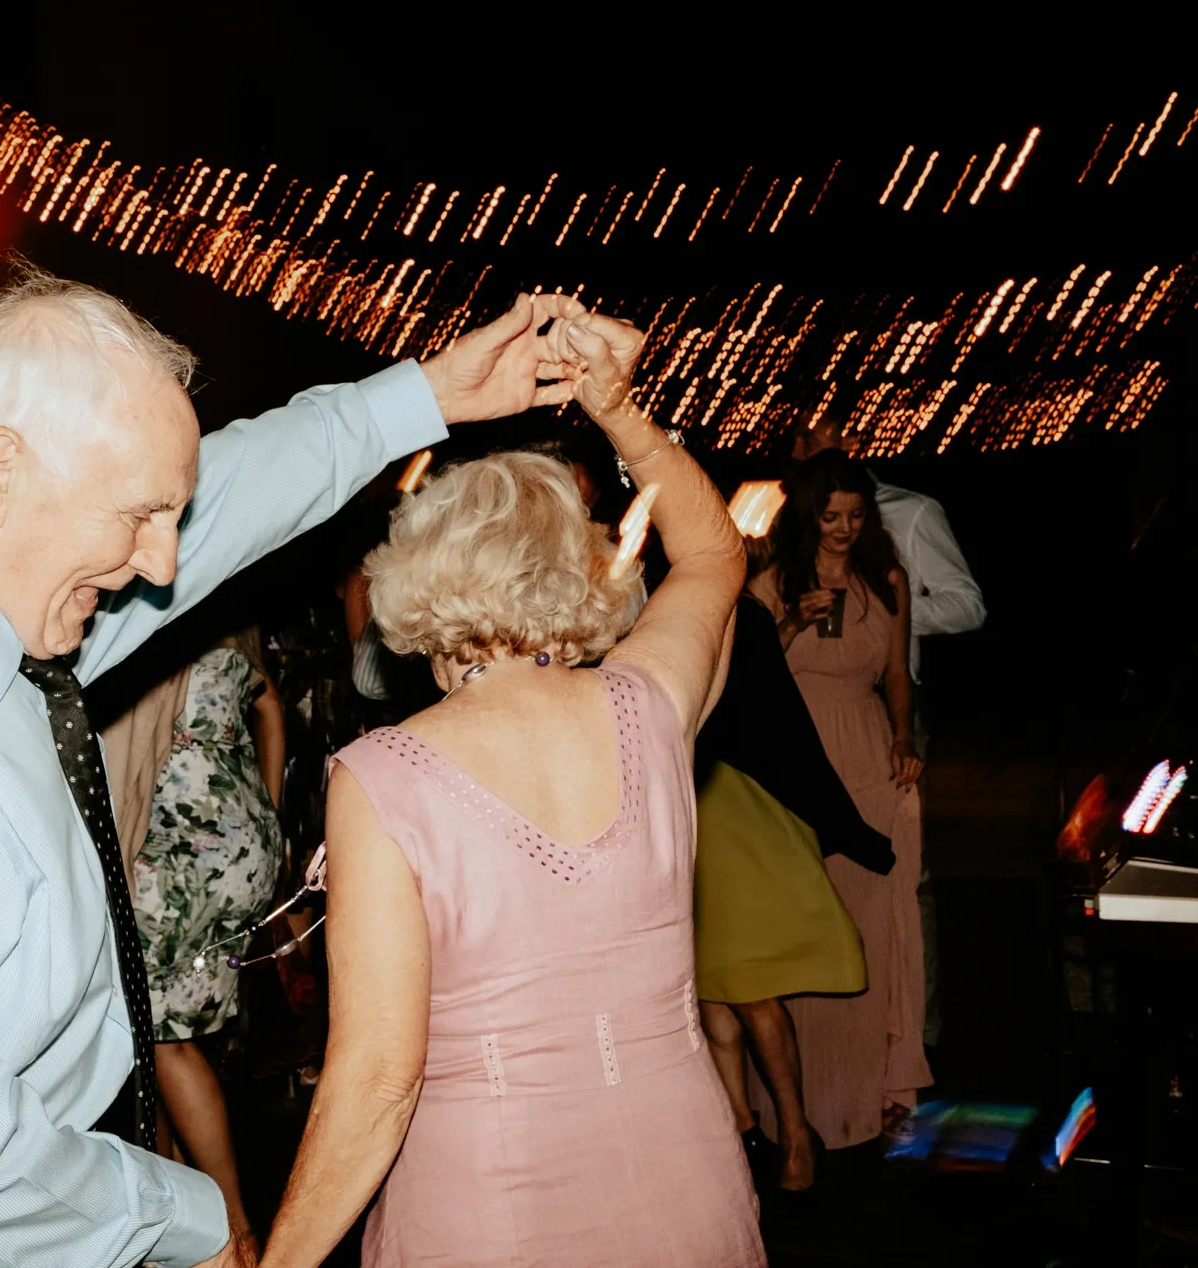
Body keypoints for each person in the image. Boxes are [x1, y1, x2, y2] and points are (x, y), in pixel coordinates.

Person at [0, 265, 577, 1268]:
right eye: (137, 516)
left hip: (12, 1190)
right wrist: (178, 1222)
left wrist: (425, 397)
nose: (159, 563)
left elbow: (227, 495)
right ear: (1, 473)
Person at [258, 302, 763, 1268]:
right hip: (686, 1186)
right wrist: (621, 411)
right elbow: (712, 553)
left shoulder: (381, 777)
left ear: (414, 581)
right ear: (577, 567)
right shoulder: (649, 703)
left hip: (489, 1212)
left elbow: (374, 1081)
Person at [749, 450, 930, 1149]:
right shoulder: (771, 581)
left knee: (871, 925)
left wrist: (905, 737)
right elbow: (750, 679)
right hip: (794, 761)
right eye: (832, 516)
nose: (845, 528)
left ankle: (868, 1097)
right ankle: (797, 1108)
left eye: (856, 516)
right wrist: (792, 621)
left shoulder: (886, 580)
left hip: (863, 750)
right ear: (809, 515)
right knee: (802, 931)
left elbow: (897, 675)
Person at [693, 591, 895, 1191]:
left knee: (746, 981)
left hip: (734, 792)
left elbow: (759, 705)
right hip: (674, 792)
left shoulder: (734, 606)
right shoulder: (645, 601)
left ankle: (794, 1128)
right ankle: (739, 1127)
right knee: (706, 980)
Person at [131, 630, 287, 1243]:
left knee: (162, 1041)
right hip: (241, 847)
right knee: (166, 1035)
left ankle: (232, 1232)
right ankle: (179, 1220)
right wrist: (267, 812)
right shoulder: (228, 621)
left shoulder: (149, 630)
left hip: (181, 851)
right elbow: (270, 706)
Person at [790, 410, 984, 681]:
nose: (796, 453)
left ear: (850, 442)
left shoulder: (911, 511)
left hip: (882, 697)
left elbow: (968, 607)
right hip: (804, 690)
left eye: (808, 440)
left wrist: (885, 609)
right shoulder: (787, 515)